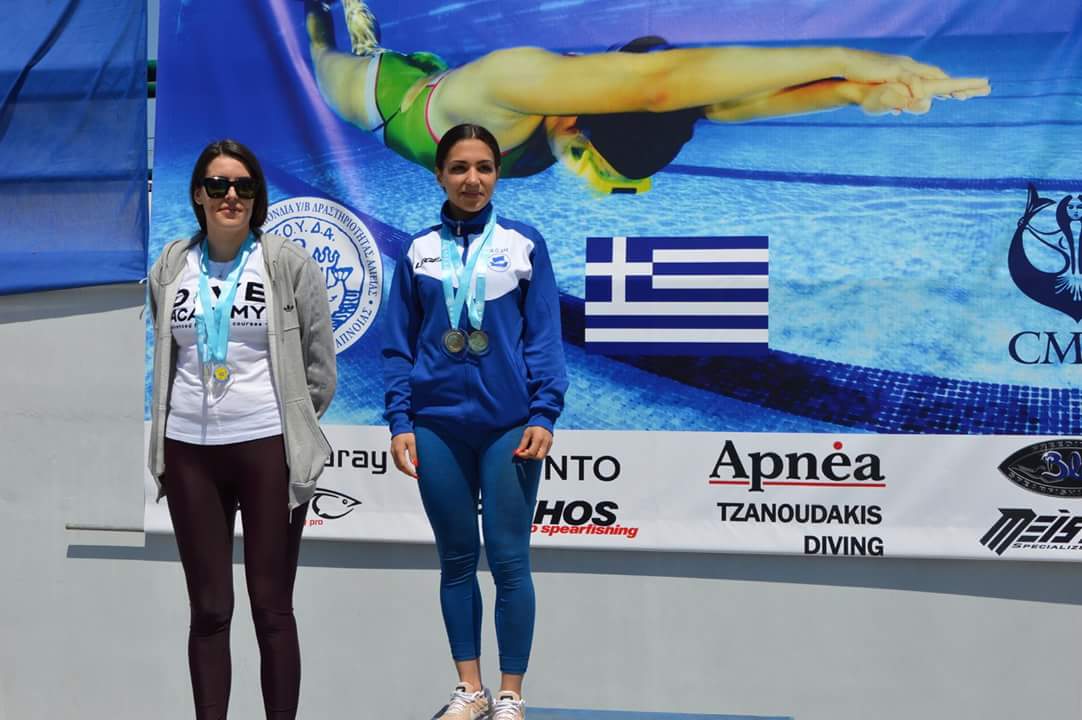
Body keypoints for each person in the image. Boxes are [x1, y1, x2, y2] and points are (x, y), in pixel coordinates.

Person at [304, 0, 990, 194]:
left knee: (379, 50)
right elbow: (658, 87)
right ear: (581, 119)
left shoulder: (559, 109)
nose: (581, 175)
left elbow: (721, 104)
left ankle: (362, 29)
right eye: (588, 162)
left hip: (441, 94)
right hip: (387, 105)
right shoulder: (508, 84)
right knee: (319, 51)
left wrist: (852, 94)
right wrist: (846, 56)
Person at [382, 124, 568, 720]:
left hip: (509, 425)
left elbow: (544, 338)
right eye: (459, 168)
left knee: (510, 560)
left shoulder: (523, 244)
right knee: (457, 559)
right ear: (439, 175)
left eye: (484, 167)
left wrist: (544, 411)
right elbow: (397, 347)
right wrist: (400, 420)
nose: (472, 179)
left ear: (497, 174)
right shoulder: (418, 251)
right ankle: (471, 690)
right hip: (436, 425)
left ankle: (511, 696)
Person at [146, 139, 336, 720]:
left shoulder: (286, 263)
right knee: (208, 610)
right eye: (218, 185)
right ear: (198, 195)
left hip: (266, 450)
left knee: (271, 608)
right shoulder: (171, 266)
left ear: (257, 196)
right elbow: (168, 352)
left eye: (244, 185)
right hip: (189, 451)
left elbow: (320, 367)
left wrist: (289, 422)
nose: (231, 195)